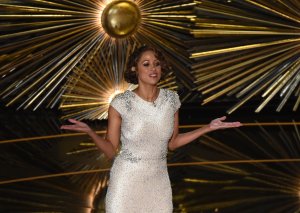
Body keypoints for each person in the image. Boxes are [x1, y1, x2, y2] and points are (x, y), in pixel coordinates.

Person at [60, 45, 242, 212]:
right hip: (126, 183)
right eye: (146, 64)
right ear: (135, 68)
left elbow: (173, 143)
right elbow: (110, 151)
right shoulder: (121, 103)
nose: (153, 69)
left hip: (158, 185)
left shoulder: (171, 100)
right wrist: (91, 133)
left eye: (157, 64)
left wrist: (207, 128)